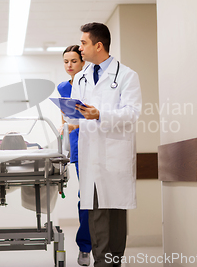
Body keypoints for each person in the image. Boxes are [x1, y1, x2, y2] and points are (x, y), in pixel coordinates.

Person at [70, 23, 142, 267]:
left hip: (114, 154)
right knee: (96, 214)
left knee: (115, 216)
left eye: (83, 43)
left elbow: (132, 113)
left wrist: (100, 114)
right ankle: (102, 262)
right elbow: (75, 112)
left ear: (98, 45)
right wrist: (70, 115)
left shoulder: (127, 75)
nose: (80, 48)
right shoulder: (81, 77)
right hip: (91, 154)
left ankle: (113, 261)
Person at [57, 45, 91, 266]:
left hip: (96, 142)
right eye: (66, 61)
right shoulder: (63, 87)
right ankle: (85, 247)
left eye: (74, 61)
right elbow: (65, 118)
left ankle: (100, 244)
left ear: (83, 62)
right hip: (78, 145)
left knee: (99, 198)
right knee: (85, 197)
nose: (69, 65)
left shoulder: (91, 84)